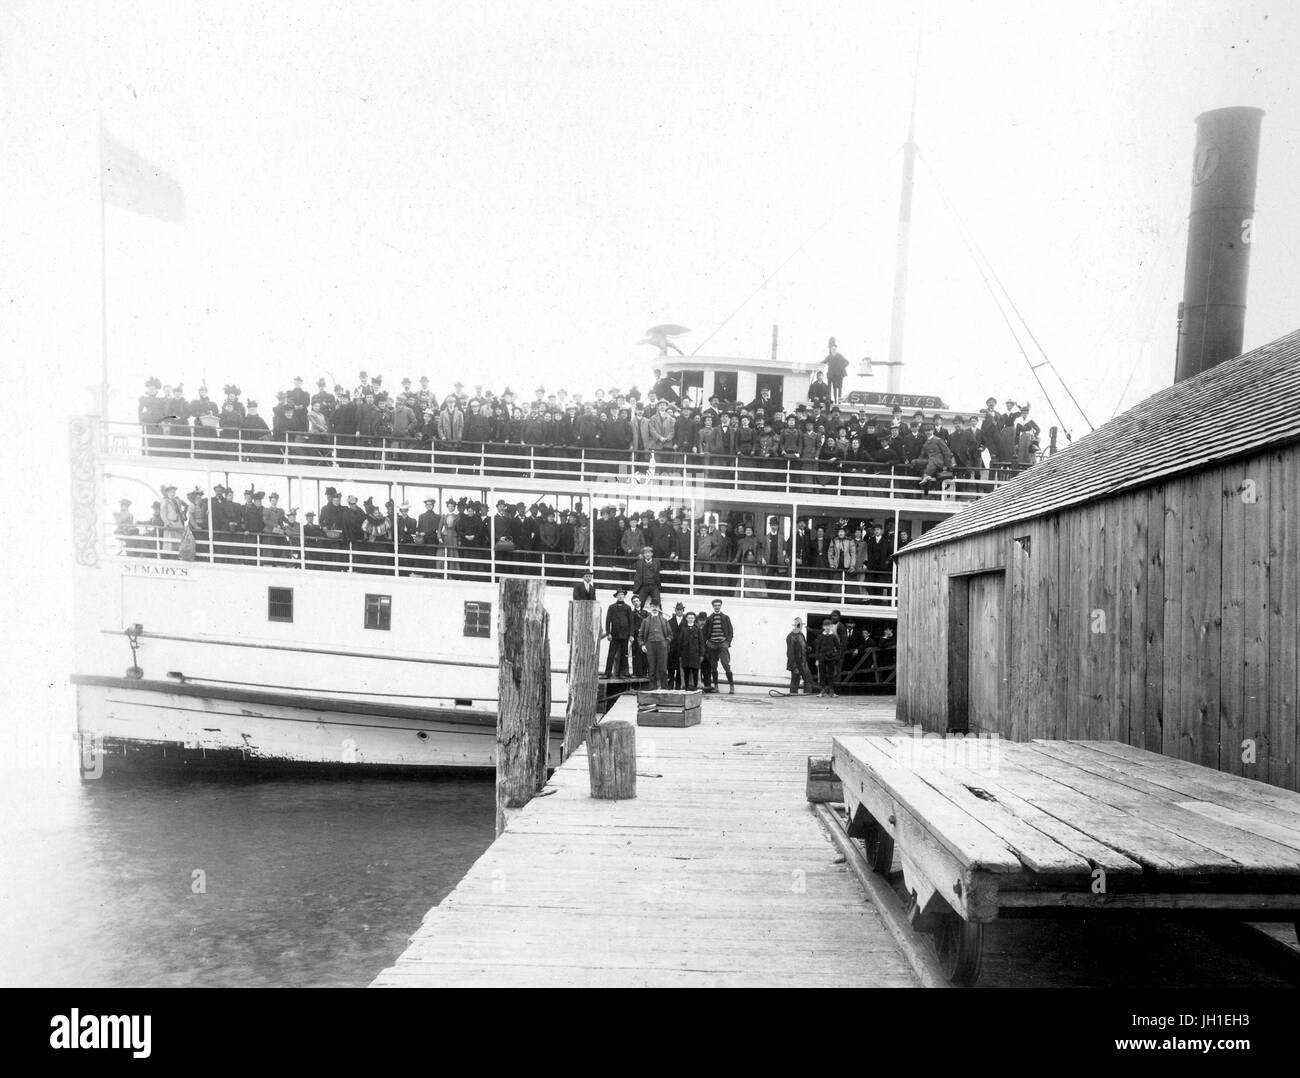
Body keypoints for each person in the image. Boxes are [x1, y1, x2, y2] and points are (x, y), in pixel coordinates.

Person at [637, 600, 673, 690]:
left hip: (662, 646)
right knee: (651, 668)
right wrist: (642, 645)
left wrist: (666, 642)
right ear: (650, 607)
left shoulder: (664, 620)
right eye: (652, 606)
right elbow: (640, 636)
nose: (654, 608)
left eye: (656, 606)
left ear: (659, 608)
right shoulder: (645, 621)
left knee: (663, 668)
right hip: (650, 646)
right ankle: (652, 688)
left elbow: (670, 634)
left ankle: (664, 688)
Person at [702, 598, 735, 694]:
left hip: (722, 644)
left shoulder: (725, 617)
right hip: (712, 644)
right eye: (715, 605)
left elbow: (731, 632)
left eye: (718, 605)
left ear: (720, 606)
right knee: (713, 666)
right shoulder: (709, 618)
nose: (717, 607)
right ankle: (716, 686)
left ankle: (731, 686)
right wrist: (707, 642)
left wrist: (727, 642)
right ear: (713, 606)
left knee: (725, 664)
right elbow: (704, 633)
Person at [603, 589, 634, 678]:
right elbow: (607, 621)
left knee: (624, 655)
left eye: (622, 595)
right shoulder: (612, 607)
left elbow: (631, 622)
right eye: (619, 595)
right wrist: (609, 633)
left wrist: (631, 634)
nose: (620, 596)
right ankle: (607, 673)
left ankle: (624, 673)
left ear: (624, 596)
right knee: (611, 655)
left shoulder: (628, 608)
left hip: (625, 635)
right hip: (614, 635)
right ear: (616, 596)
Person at [814, 620, 843, 698]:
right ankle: (822, 691)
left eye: (828, 626)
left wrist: (836, 656)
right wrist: (817, 659)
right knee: (822, 675)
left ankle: (832, 692)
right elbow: (817, 649)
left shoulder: (833, 636)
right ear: (823, 627)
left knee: (831, 675)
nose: (827, 627)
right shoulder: (820, 637)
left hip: (831, 659)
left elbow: (839, 647)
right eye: (825, 626)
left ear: (831, 627)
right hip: (822, 659)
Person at [786, 617, 814, 695]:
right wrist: (794, 667)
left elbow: (803, 646)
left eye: (800, 625)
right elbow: (790, 653)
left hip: (803, 661)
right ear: (794, 625)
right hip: (796, 662)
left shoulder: (801, 635)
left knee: (808, 679)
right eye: (797, 625)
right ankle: (793, 698)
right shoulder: (791, 636)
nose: (799, 626)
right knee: (795, 681)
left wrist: (807, 648)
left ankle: (807, 697)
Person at [677, 612, 703, 690]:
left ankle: (695, 686)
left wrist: (701, 654)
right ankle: (686, 687)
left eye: (692, 618)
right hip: (685, 654)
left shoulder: (697, 629)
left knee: (695, 671)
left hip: (695, 654)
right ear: (686, 619)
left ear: (694, 619)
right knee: (686, 671)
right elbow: (680, 642)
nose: (690, 619)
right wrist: (680, 655)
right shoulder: (683, 629)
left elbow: (701, 642)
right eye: (689, 618)